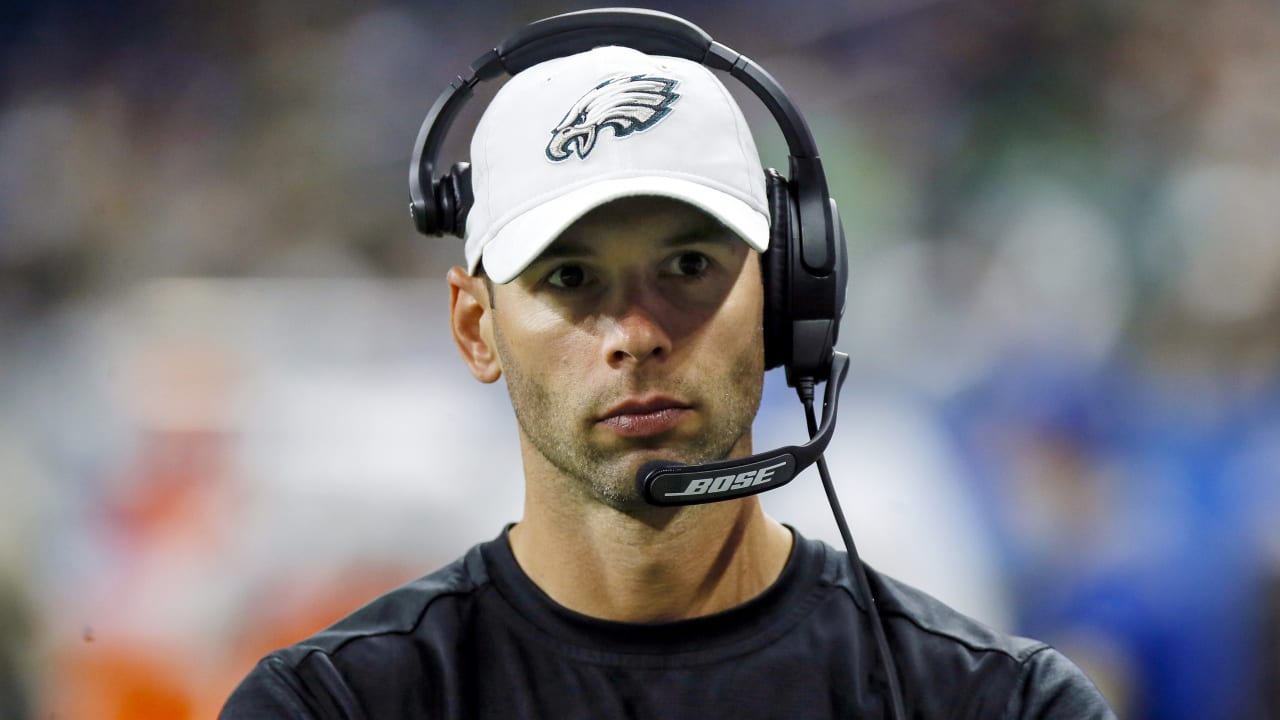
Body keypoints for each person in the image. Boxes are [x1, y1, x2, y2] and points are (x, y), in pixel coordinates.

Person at [221, 11, 1116, 719]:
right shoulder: (330, 707)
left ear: (786, 299)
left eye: (689, 267)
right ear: (475, 327)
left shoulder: (998, 704)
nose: (637, 331)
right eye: (570, 278)